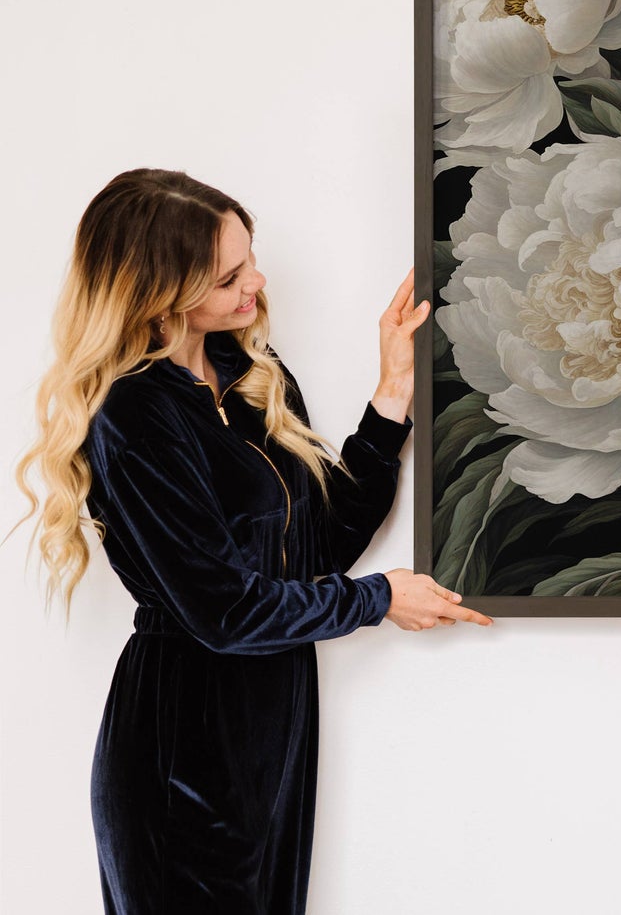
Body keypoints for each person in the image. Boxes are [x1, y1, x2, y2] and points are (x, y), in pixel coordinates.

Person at [15, 168, 492, 914]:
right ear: (157, 293)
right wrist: (378, 599)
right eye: (229, 275)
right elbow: (225, 610)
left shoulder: (248, 374)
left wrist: (392, 392)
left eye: (250, 257)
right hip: (184, 744)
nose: (257, 283)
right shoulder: (132, 416)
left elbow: (318, 549)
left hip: (270, 729)